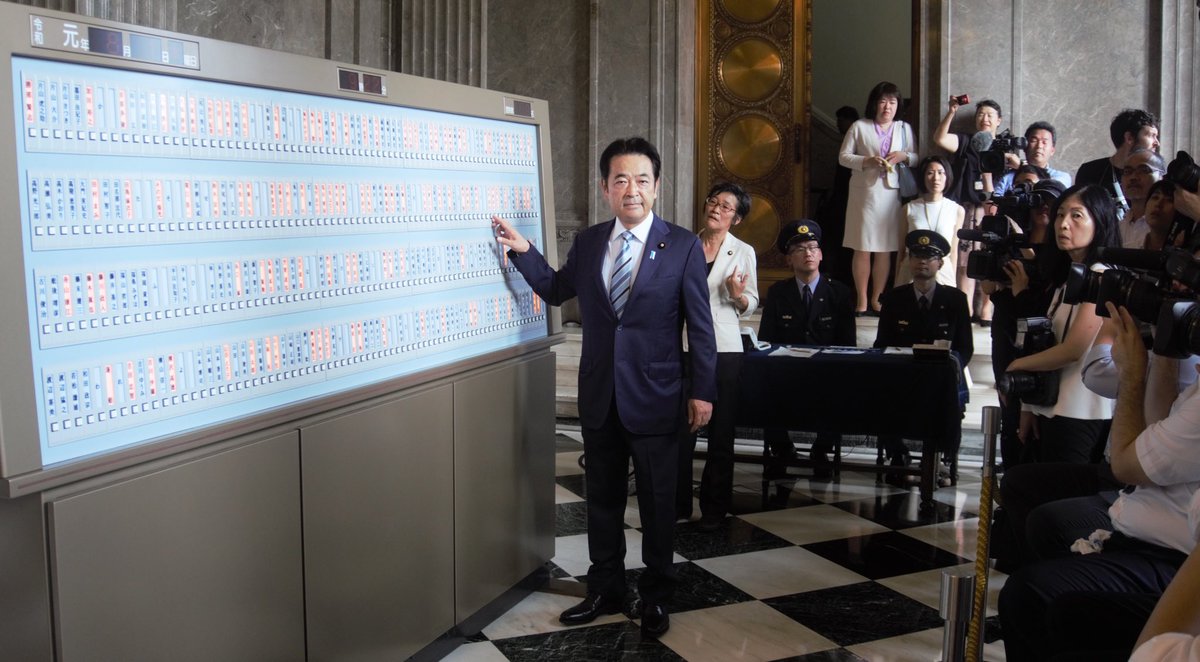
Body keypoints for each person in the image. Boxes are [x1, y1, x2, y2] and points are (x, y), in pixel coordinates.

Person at [490, 137, 716, 637]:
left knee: (657, 504)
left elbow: (700, 327)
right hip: (601, 394)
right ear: (604, 188)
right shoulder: (590, 241)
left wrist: (703, 391)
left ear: (656, 187)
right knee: (603, 501)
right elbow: (556, 289)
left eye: (641, 180)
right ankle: (605, 589)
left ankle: (656, 596)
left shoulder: (682, 245)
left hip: (658, 396)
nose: (631, 189)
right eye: (620, 180)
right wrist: (524, 251)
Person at [998, 301, 1200, 661]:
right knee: (1030, 499)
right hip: (1141, 507)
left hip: (1166, 544)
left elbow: (1124, 460)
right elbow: (1149, 425)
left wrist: (1132, 374)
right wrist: (1163, 353)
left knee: (1031, 590)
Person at [1002, 184, 1120, 464]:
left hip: (1082, 411)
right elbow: (1047, 342)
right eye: (1060, 215)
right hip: (1053, 405)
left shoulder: (1101, 276)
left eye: (1076, 216)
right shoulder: (1068, 277)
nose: (1063, 224)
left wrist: (1016, 365)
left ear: (1100, 222)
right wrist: (1029, 405)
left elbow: (1073, 349)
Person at [676, 182, 758, 531]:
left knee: (721, 434)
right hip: (683, 346)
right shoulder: (684, 245)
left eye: (726, 207)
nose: (716, 209)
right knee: (681, 431)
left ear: (736, 218)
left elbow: (751, 302)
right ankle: (677, 504)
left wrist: (737, 295)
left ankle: (714, 509)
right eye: (713, 202)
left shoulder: (743, 251)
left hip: (724, 348)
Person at [758, 220, 856, 478]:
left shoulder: (839, 293)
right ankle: (782, 449)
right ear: (789, 259)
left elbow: (848, 344)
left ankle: (822, 450)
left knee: (840, 390)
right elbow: (766, 340)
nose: (808, 253)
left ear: (821, 255)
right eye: (800, 249)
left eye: (813, 248)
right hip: (787, 372)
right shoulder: (778, 293)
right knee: (765, 388)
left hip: (826, 372)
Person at [874, 230, 973, 484]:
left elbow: (965, 348)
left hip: (940, 377)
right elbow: (881, 343)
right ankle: (898, 455)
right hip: (903, 375)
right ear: (909, 261)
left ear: (940, 263)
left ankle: (942, 458)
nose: (922, 262)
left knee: (950, 398)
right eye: (917, 256)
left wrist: (951, 368)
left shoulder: (955, 300)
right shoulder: (894, 299)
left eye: (930, 257)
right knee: (883, 394)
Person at [838, 81, 917, 315]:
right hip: (864, 193)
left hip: (891, 194)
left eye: (892, 102)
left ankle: (877, 298)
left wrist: (903, 156)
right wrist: (866, 161)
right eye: (883, 101)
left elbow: (917, 156)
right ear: (874, 103)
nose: (887, 107)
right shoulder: (859, 126)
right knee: (862, 246)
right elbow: (843, 156)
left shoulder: (903, 128)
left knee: (885, 248)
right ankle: (861, 299)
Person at [934, 96, 1005, 326]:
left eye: (990, 115)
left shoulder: (1003, 146)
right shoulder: (966, 141)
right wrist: (952, 111)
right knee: (965, 263)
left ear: (999, 121)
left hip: (992, 210)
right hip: (966, 208)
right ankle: (965, 309)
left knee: (990, 261)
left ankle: (986, 309)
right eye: (981, 114)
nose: (985, 119)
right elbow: (940, 139)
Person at [895, 154, 964, 286]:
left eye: (940, 173)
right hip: (912, 271)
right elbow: (902, 250)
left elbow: (953, 251)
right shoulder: (909, 208)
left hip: (942, 272)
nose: (936, 178)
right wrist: (897, 282)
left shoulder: (956, 210)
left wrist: (953, 282)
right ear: (923, 177)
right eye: (930, 173)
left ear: (947, 176)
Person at [1074, 108, 1161, 200]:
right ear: (1129, 138)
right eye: (1152, 135)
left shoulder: (1156, 174)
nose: (1157, 143)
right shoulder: (1090, 172)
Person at [994, 121, 1073, 194]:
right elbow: (994, 201)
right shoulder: (1007, 177)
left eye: (1044, 142)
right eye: (1034, 141)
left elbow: (1050, 191)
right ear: (1025, 147)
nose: (1039, 146)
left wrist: (1022, 166)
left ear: (1052, 150)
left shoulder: (1062, 177)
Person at [1118, 148, 1166, 247]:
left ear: (1161, 177)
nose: (1133, 177)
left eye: (1143, 170)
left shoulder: (1165, 226)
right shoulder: (1117, 228)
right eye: (1127, 172)